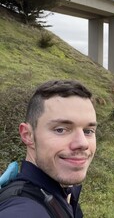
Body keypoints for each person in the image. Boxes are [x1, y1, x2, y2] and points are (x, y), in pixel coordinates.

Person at [0, 80, 97, 217]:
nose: (83, 143)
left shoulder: (61, 193)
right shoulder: (24, 210)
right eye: (61, 130)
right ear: (28, 135)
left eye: (88, 131)